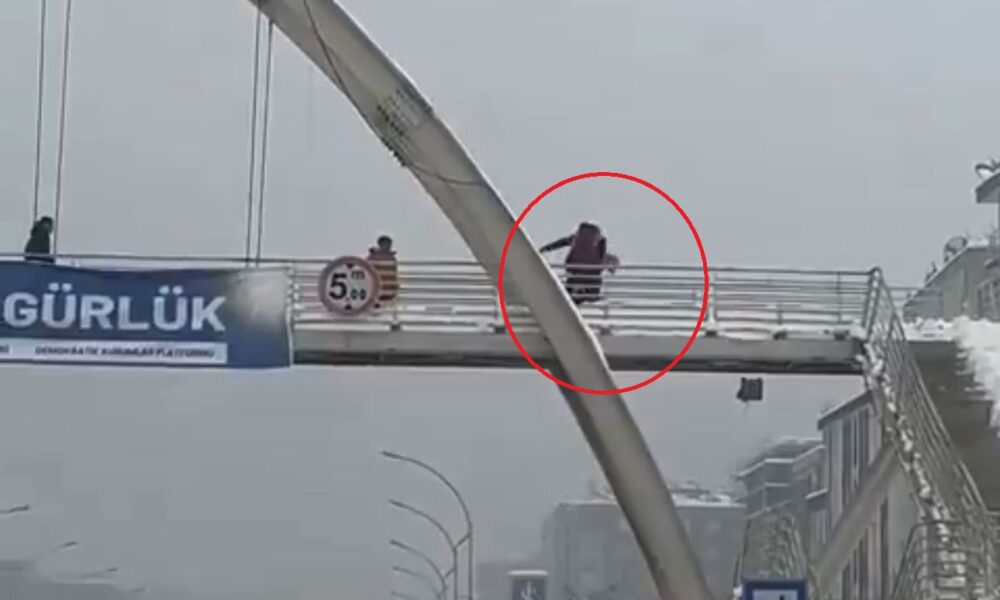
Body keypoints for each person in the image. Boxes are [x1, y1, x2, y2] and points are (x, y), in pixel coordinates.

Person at [540, 222, 618, 305]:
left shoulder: (575, 238)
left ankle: (569, 295)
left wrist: (544, 249)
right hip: (592, 278)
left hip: (575, 274)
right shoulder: (599, 242)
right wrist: (612, 267)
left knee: (570, 289)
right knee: (592, 285)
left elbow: (560, 243)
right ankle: (589, 296)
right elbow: (604, 258)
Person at [367, 234, 399, 306]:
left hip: (387, 291)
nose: (388, 246)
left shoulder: (392, 258)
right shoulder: (373, 257)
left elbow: (394, 274)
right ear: (380, 244)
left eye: (389, 244)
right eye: (386, 244)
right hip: (378, 291)